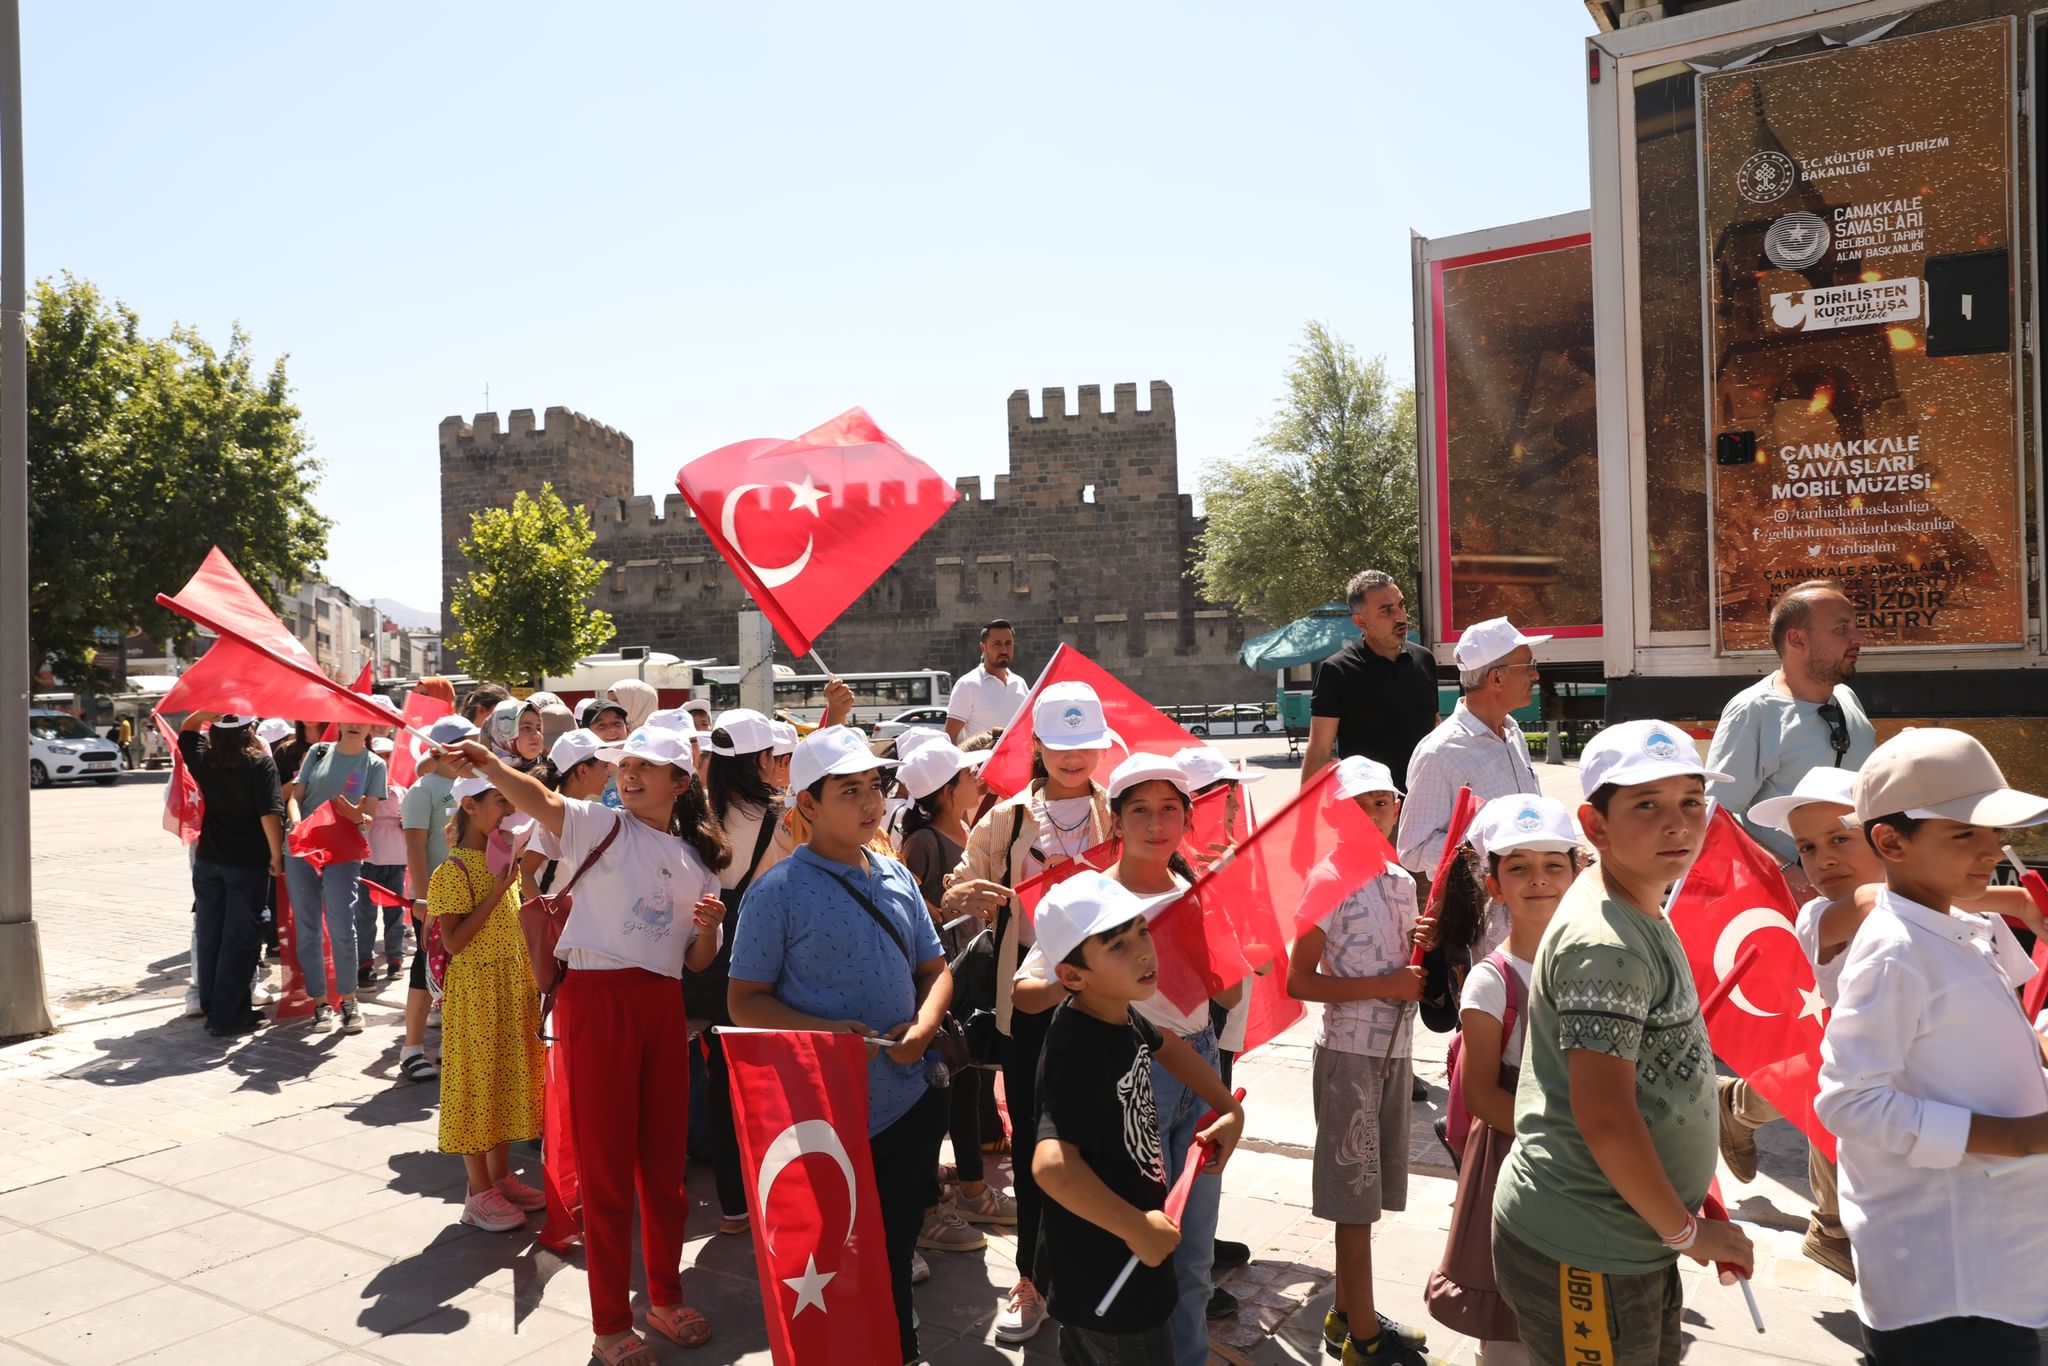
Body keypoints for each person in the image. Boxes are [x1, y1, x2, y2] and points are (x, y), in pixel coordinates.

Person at [445, 725, 729, 1365]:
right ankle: (608, 1328)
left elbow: (695, 960)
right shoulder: (598, 826)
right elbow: (542, 801)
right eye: (623, 765)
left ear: (680, 782)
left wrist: (710, 929)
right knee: (605, 1175)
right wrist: (492, 762)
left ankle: (664, 1296)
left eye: (646, 768)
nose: (628, 776)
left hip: (662, 1008)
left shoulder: (698, 859)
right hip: (594, 1006)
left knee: (665, 1170)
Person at [1491, 721, 1754, 1366]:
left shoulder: (1637, 899)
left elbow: (1647, 1079)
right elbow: (1606, 1117)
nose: (1678, 825)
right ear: (1595, 824)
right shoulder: (1606, 944)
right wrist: (1688, 1233)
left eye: (1692, 802)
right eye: (1647, 805)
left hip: (1633, 1228)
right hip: (1590, 1244)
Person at [1815, 728, 2048, 1364]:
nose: (1992, 849)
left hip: (1996, 1258)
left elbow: (1978, 1040)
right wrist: (2020, 1137)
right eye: (1964, 833)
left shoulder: (1961, 924)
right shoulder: (1894, 950)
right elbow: (1849, 1103)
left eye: (1994, 832)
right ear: (1890, 840)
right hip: (1942, 1281)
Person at [729, 725, 956, 1366]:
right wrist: (827, 1036)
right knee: (830, 1253)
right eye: (849, 790)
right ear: (807, 804)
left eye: (875, 787)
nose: (869, 803)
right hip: (822, 1113)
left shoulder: (894, 875)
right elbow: (743, 1002)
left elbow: (934, 970)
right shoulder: (774, 894)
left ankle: (899, 1348)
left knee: (896, 1239)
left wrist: (923, 1028)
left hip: (905, 1099)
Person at [1010, 753, 1241, 1366]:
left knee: (1193, 1249)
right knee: (1139, 1232)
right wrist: (1086, 976)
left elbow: (1228, 995)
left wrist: (1232, 948)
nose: (1156, 822)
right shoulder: (1087, 901)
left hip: (1193, 1059)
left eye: (1171, 808)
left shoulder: (1196, 890)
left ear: (1188, 819)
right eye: (1140, 809)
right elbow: (1025, 993)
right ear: (1115, 820)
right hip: (1133, 1079)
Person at [940, 680, 1118, 1345]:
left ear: (1100, 747)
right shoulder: (1006, 819)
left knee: (1104, 1148)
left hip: (1107, 1003)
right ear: (1037, 746)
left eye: (1085, 746)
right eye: (1060, 746)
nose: (1074, 759)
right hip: (1032, 1007)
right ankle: (1031, 1282)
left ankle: (1099, 1277)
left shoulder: (1121, 811)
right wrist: (971, 893)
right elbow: (957, 887)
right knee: (1041, 1151)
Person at [1286, 757, 1439, 1366]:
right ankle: (1366, 1344)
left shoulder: (1402, 880)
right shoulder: (1325, 879)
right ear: (1333, 814)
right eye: (1359, 804)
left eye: (1383, 802)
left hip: (1396, 1053)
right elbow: (1300, 980)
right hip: (1349, 1054)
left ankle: (1349, 1313)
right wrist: (1389, 984)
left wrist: (1421, 948)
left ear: (1397, 806)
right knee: (1353, 1197)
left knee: (1371, 1193)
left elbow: (1406, 972)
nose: (1375, 813)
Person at [1430, 794, 1584, 1365]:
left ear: (1577, 871)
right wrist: (1567, 1138)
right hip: (1521, 1166)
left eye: (1553, 865)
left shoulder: (1598, 964)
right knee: (1513, 1325)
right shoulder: (1491, 983)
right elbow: (1481, 1096)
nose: (1538, 880)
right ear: (1494, 884)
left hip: (1591, 1167)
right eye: (1518, 867)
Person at [1718, 767, 1870, 1280]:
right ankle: (1832, 1227)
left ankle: (1734, 1104)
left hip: (1868, 1071)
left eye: (1839, 840)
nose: (1822, 859)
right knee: (1832, 1083)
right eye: (1806, 848)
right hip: (1853, 1071)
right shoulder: (1822, 914)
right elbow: (1878, 903)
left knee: (1824, 1078)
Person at [896, 739, 1016, 1235]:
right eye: (968, 775)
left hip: (969, 976)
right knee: (943, 1088)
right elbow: (911, 908)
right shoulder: (923, 841)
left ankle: (970, 1186)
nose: (979, 780)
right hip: (938, 980)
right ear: (945, 790)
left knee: (969, 1082)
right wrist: (947, 905)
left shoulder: (969, 829)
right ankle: (942, 1197)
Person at [428, 775, 546, 1232]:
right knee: (476, 1086)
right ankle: (478, 1191)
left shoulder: (501, 858)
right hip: (477, 992)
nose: (507, 808)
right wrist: (498, 889)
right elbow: (454, 941)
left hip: (509, 985)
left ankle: (500, 1176)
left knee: (503, 1078)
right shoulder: (452, 871)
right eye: (500, 800)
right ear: (471, 806)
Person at [694, 707, 796, 1235]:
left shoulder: (691, 814)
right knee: (770, 1083)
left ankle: (732, 1206)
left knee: (719, 1078)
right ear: (761, 759)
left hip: (705, 959)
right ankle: (771, 1197)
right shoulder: (786, 816)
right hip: (764, 960)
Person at [1396, 616, 1548, 961]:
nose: (1536, 675)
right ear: (1497, 677)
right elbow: (1412, 848)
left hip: (1531, 916)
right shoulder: (1441, 752)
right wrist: (1491, 856)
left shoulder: (1512, 734)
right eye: (1530, 666)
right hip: (1482, 936)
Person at [1704, 579, 1875, 874]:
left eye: (1855, 627)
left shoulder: (1847, 698)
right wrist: (1785, 874)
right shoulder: (1754, 710)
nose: (1858, 638)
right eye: (1841, 629)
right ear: (1796, 640)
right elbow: (1714, 817)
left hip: (1856, 887)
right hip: (1790, 902)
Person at [177, 713, 284, 1038]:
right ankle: (229, 1016)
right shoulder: (260, 764)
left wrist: (207, 712)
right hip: (247, 863)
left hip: (208, 861)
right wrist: (277, 855)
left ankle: (212, 1006)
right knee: (239, 940)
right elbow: (269, 813)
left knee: (210, 935)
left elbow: (187, 730)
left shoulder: (204, 761)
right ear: (249, 729)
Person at [283, 721, 388, 1034]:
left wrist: (356, 815)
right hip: (302, 850)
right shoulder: (317, 752)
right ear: (339, 722)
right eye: (349, 717)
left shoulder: (375, 764)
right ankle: (320, 1005)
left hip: (343, 851)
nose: (354, 725)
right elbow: (294, 797)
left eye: (362, 719)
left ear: (370, 725)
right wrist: (298, 825)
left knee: (343, 924)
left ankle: (349, 1001)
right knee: (308, 927)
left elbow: (368, 818)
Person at [1301, 570, 1439, 791]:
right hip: (1368, 806)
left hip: (1425, 801)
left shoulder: (1425, 659)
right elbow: (1319, 749)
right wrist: (1306, 817)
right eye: (1386, 610)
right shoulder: (1336, 670)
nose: (1400, 616)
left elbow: (1434, 726)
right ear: (1360, 621)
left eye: (1401, 605)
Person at [398, 714, 476, 1082]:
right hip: (433, 900)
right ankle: (412, 1049)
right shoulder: (423, 789)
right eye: (465, 742)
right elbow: (414, 844)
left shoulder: (472, 786)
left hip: (468, 895)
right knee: (424, 971)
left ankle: (450, 1043)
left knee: (457, 971)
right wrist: (422, 897)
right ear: (444, 750)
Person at [358, 737, 409, 987]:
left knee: (394, 912)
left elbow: (408, 820)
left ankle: (395, 960)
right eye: (381, 756)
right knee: (365, 915)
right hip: (368, 858)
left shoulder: (401, 790)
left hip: (396, 859)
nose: (385, 761)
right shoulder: (362, 790)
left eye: (389, 755)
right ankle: (365, 963)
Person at [947, 618, 1030, 742]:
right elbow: (950, 737)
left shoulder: (1020, 683)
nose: (1004, 650)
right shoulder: (967, 685)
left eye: (1008, 643)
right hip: (983, 761)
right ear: (983, 647)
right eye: (997, 644)